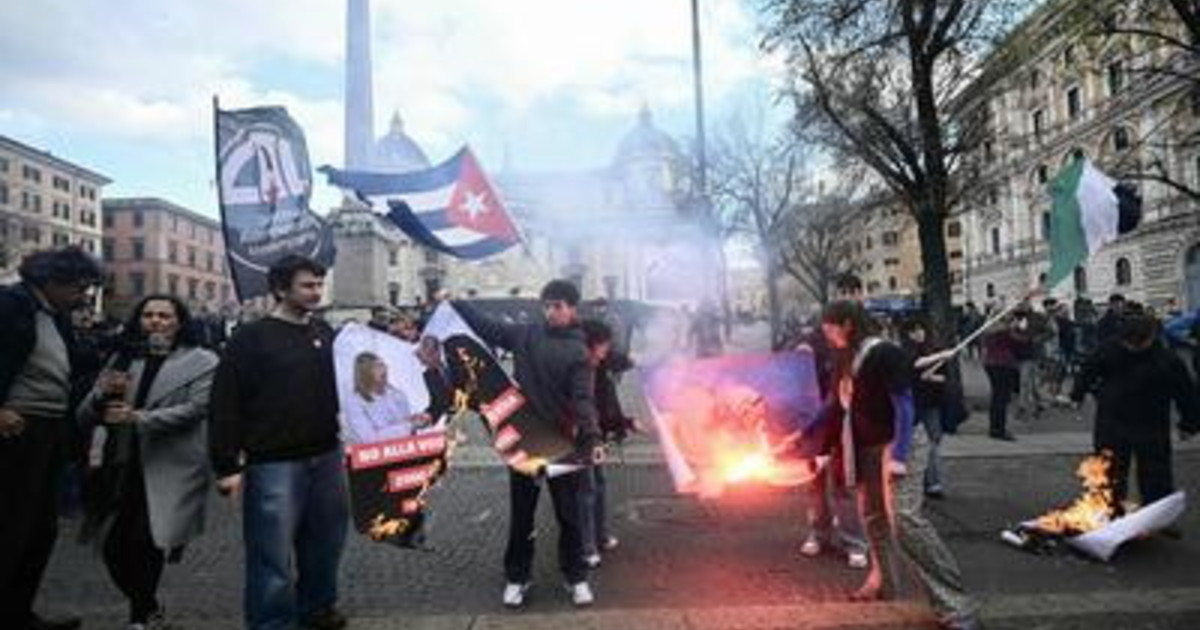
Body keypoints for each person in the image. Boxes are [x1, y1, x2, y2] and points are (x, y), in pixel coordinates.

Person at [818, 301, 979, 630]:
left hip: (900, 442)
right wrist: (808, 441)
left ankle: (957, 606)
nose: (827, 335)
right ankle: (884, 585)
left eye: (829, 328)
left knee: (904, 518)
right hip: (867, 447)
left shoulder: (883, 353)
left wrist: (900, 457)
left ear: (847, 324)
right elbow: (835, 407)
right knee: (873, 517)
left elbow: (904, 405)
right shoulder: (843, 359)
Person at [209, 255, 350, 630]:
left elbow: (352, 388)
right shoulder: (250, 338)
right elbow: (225, 402)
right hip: (273, 463)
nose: (316, 292)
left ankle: (318, 610)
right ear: (280, 289)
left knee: (325, 545)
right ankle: (272, 623)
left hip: (327, 456)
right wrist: (226, 465)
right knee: (271, 554)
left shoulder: (325, 333)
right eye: (307, 285)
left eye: (319, 284)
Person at [452, 280, 603, 609]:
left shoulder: (580, 351)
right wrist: (458, 302)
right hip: (526, 440)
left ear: (572, 308)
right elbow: (488, 328)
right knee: (522, 515)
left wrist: (591, 436)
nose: (551, 312)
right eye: (547, 305)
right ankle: (517, 577)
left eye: (558, 306)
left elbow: (583, 399)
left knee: (570, 517)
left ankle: (576, 577)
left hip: (565, 443)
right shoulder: (525, 333)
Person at [77, 295, 218, 630]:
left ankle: (139, 619)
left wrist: (138, 418)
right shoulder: (123, 358)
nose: (156, 321)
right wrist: (100, 399)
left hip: (169, 465)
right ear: (138, 320)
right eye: (148, 315)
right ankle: (150, 608)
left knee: (147, 542)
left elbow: (197, 409)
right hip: (119, 463)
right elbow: (84, 413)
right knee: (112, 548)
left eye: (165, 316)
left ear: (179, 322)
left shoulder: (203, 360)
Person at [1, 247, 103, 630]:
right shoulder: (10, 304)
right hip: (17, 427)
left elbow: (76, 362)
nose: (85, 295)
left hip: (49, 426)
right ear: (51, 280)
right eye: (80, 287)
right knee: (12, 525)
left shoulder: (54, 316)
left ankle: (17, 613)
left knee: (39, 528)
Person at [1072, 311, 1199, 509]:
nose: (1133, 348)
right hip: (1112, 420)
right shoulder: (1109, 348)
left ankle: (1156, 514)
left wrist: (1189, 424)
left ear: (1151, 338)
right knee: (1108, 469)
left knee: (1156, 472)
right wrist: (1077, 394)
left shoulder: (1167, 360)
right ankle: (1107, 511)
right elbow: (1088, 370)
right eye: (1129, 343)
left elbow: (1185, 393)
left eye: (1139, 344)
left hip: (1151, 422)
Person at [578, 319, 632, 569]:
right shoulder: (581, 368)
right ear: (592, 345)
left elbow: (607, 403)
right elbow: (585, 406)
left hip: (596, 435)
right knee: (586, 489)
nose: (606, 351)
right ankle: (586, 546)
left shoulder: (599, 366)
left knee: (598, 483)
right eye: (604, 345)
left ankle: (599, 536)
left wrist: (623, 423)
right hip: (581, 437)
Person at [899, 320, 947, 498]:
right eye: (917, 330)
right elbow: (915, 364)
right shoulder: (906, 351)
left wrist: (933, 376)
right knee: (926, 443)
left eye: (921, 328)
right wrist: (940, 356)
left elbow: (940, 377)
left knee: (933, 441)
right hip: (917, 403)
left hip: (931, 402)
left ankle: (930, 481)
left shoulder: (927, 348)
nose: (921, 333)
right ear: (909, 333)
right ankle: (932, 482)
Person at [342, 352, 429, 444]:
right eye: (377, 367)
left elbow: (403, 426)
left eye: (383, 365)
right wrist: (409, 426)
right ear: (365, 373)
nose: (384, 369)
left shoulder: (397, 395)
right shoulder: (354, 401)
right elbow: (369, 438)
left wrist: (414, 420)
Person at [981, 316, 1020, 441]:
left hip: (991, 363)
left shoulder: (988, 330)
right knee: (1002, 397)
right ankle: (999, 429)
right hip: (1003, 363)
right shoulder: (1005, 331)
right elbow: (1016, 342)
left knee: (996, 396)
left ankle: (994, 427)